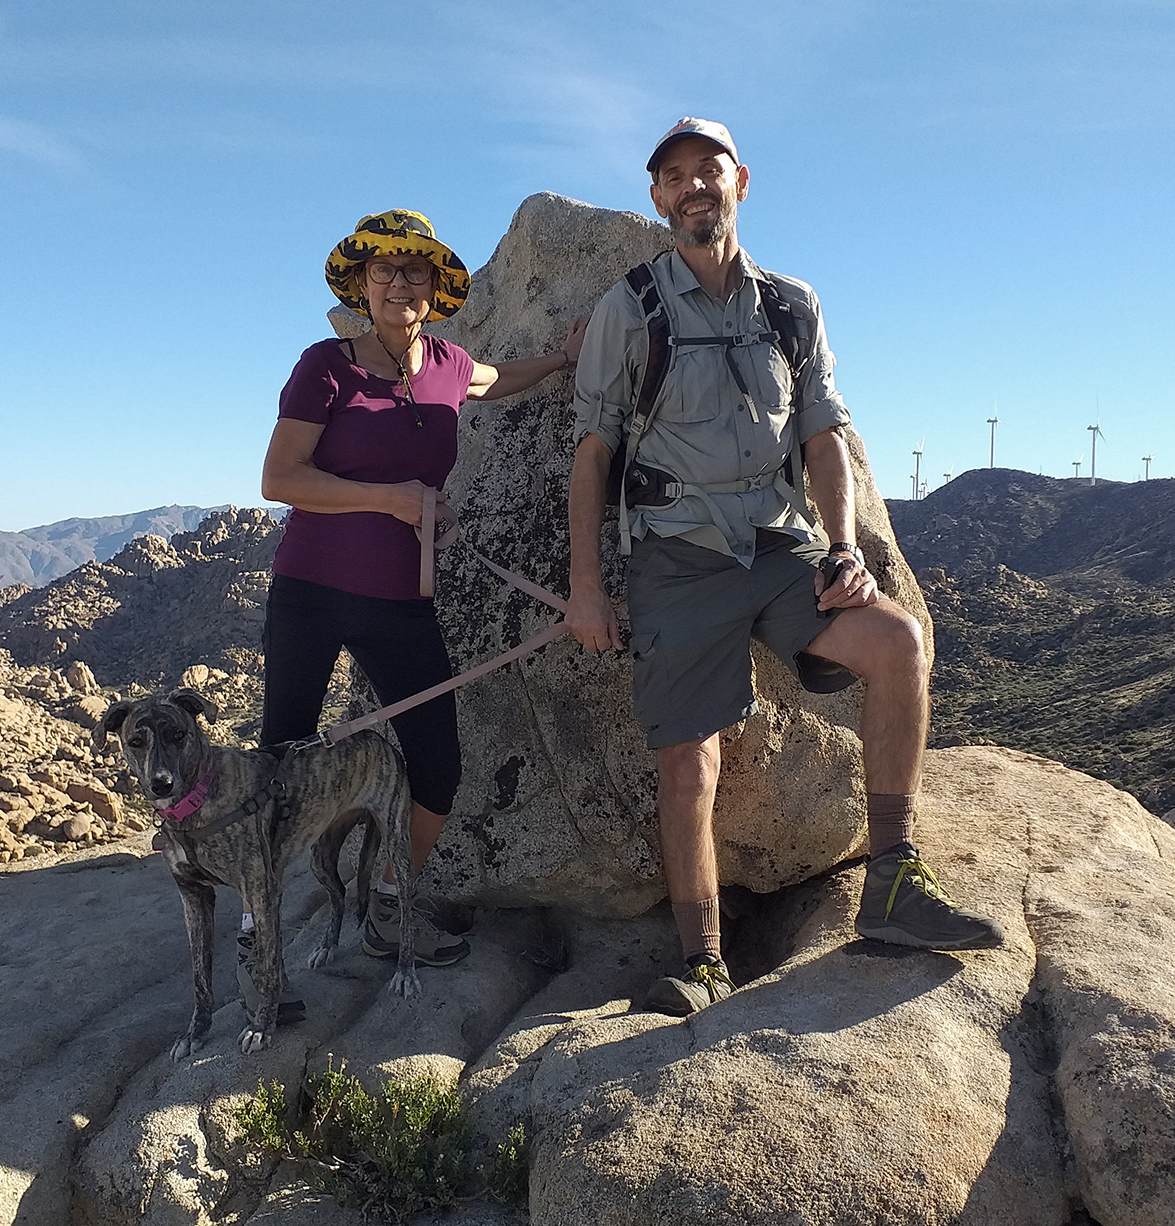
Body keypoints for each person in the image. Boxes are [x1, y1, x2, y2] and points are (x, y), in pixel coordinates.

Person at [565, 119, 1005, 1017]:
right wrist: (585, 583)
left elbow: (822, 437)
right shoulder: (630, 308)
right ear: (657, 197)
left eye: (709, 171)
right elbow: (591, 453)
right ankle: (705, 962)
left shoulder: (790, 306)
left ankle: (890, 883)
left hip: (778, 544)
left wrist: (845, 547)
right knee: (690, 759)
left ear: (742, 182)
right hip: (675, 558)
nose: (694, 188)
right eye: (675, 176)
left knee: (899, 644)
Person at [260, 209, 584, 974]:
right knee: (283, 760)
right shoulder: (324, 366)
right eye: (385, 270)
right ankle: (258, 920)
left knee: (438, 763)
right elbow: (280, 480)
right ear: (362, 284)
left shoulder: (447, 362)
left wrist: (563, 361)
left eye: (415, 271)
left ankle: (383, 896)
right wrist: (393, 498)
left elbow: (495, 380)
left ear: (435, 288)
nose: (400, 283)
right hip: (308, 590)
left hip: (400, 599)